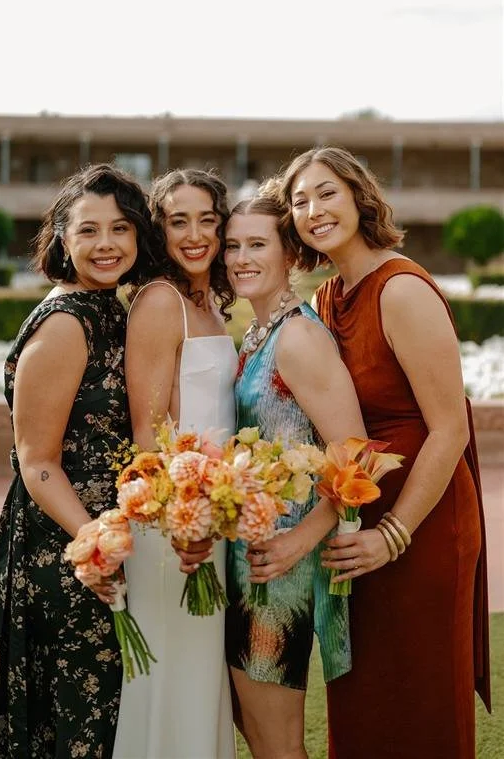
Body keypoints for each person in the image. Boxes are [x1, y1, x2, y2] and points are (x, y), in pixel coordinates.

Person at [274, 146, 491, 759]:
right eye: (299, 201)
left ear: (358, 196)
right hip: (355, 519)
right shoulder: (326, 298)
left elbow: (449, 428)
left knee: (419, 701)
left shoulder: (401, 290)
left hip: (422, 521)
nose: (313, 210)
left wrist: (392, 533)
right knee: (363, 694)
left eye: (326, 193)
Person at [0, 164, 157, 759]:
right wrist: (95, 544)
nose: (106, 244)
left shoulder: (111, 306)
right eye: (89, 230)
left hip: (107, 536)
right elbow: (37, 462)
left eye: (120, 229)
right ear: (61, 236)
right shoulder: (65, 323)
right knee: (77, 723)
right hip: (65, 545)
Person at [223, 193, 368, 759]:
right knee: (258, 733)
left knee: (277, 746)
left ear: (291, 254)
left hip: (280, 574)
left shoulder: (299, 337)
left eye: (256, 244)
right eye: (232, 246)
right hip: (251, 557)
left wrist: (298, 541)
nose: (240, 257)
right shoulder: (260, 333)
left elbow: (354, 455)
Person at [112, 169, 237, 759]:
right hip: (173, 526)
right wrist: (182, 524)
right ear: (159, 229)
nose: (195, 235)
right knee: (170, 679)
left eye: (207, 220)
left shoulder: (207, 301)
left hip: (212, 519)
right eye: (178, 220)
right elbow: (148, 432)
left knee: (198, 677)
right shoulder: (161, 301)